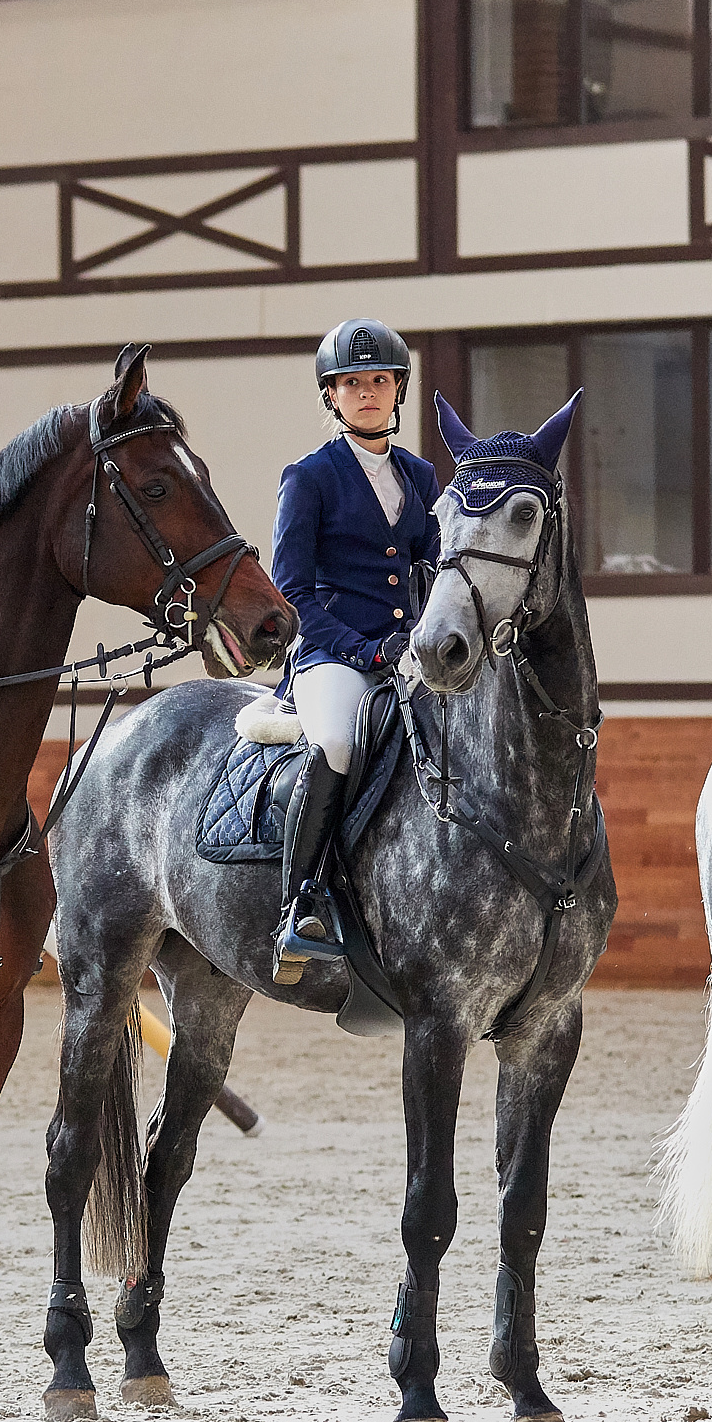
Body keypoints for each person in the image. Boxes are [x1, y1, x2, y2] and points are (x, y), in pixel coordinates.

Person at [265, 319, 440, 987]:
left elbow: (435, 569)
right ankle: (301, 903)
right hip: (333, 656)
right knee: (338, 741)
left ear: (397, 389)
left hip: (410, 654)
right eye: (351, 383)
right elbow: (292, 592)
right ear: (331, 397)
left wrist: (424, 637)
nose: (366, 393)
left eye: (378, 381)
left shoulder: (421, 475)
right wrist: (366, 651)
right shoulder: (309, 477)